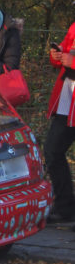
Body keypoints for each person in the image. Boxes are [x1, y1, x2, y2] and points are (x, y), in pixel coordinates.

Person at [45, 21, 75, 224]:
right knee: (52, 151)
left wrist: (71, 62)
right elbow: (64, 53)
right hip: (67, 101)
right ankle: (65, 207)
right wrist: (57, 56)